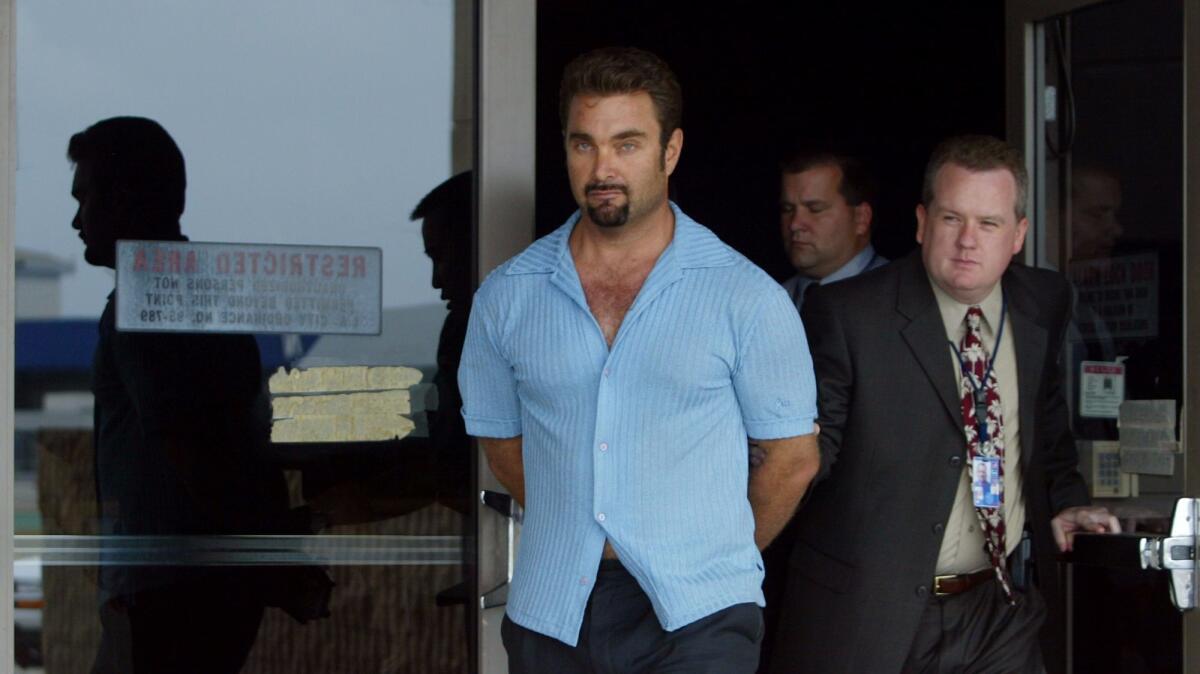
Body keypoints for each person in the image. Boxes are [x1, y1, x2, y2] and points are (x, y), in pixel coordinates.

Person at [459, 47, 820, 674]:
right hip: (552, 610)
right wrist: (583, 521)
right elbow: (504, 443)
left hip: (699, 617)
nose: (603, 168)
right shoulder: (507, 297)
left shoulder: (746, 297)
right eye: (584, 145)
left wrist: (713, 558)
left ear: (670, 151)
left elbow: (792, 459)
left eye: (627, 144)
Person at [769, 135, 1119, 674]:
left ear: (1019, 234)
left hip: (996, 609)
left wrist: (1069, 501)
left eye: (989, 223)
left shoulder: (1042, 303)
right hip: (870, 615)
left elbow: (1045, 429)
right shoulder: (848, 314)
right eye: (952, 219)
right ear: (921, 222)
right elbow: (810, 456)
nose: (967, 242)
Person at [71, 116, 317, 674]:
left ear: (127, 196)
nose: (75, 218)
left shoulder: (149, 296)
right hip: (195, 587)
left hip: (169, 590)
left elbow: (189, 446)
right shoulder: (204, 292)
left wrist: (267, 562)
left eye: (86, 197)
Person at [777, 150, 887, 311]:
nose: (795, 224)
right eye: (787, 209)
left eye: (815, 209)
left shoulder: (902, 297)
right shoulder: (770, 301)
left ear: (861, 218)